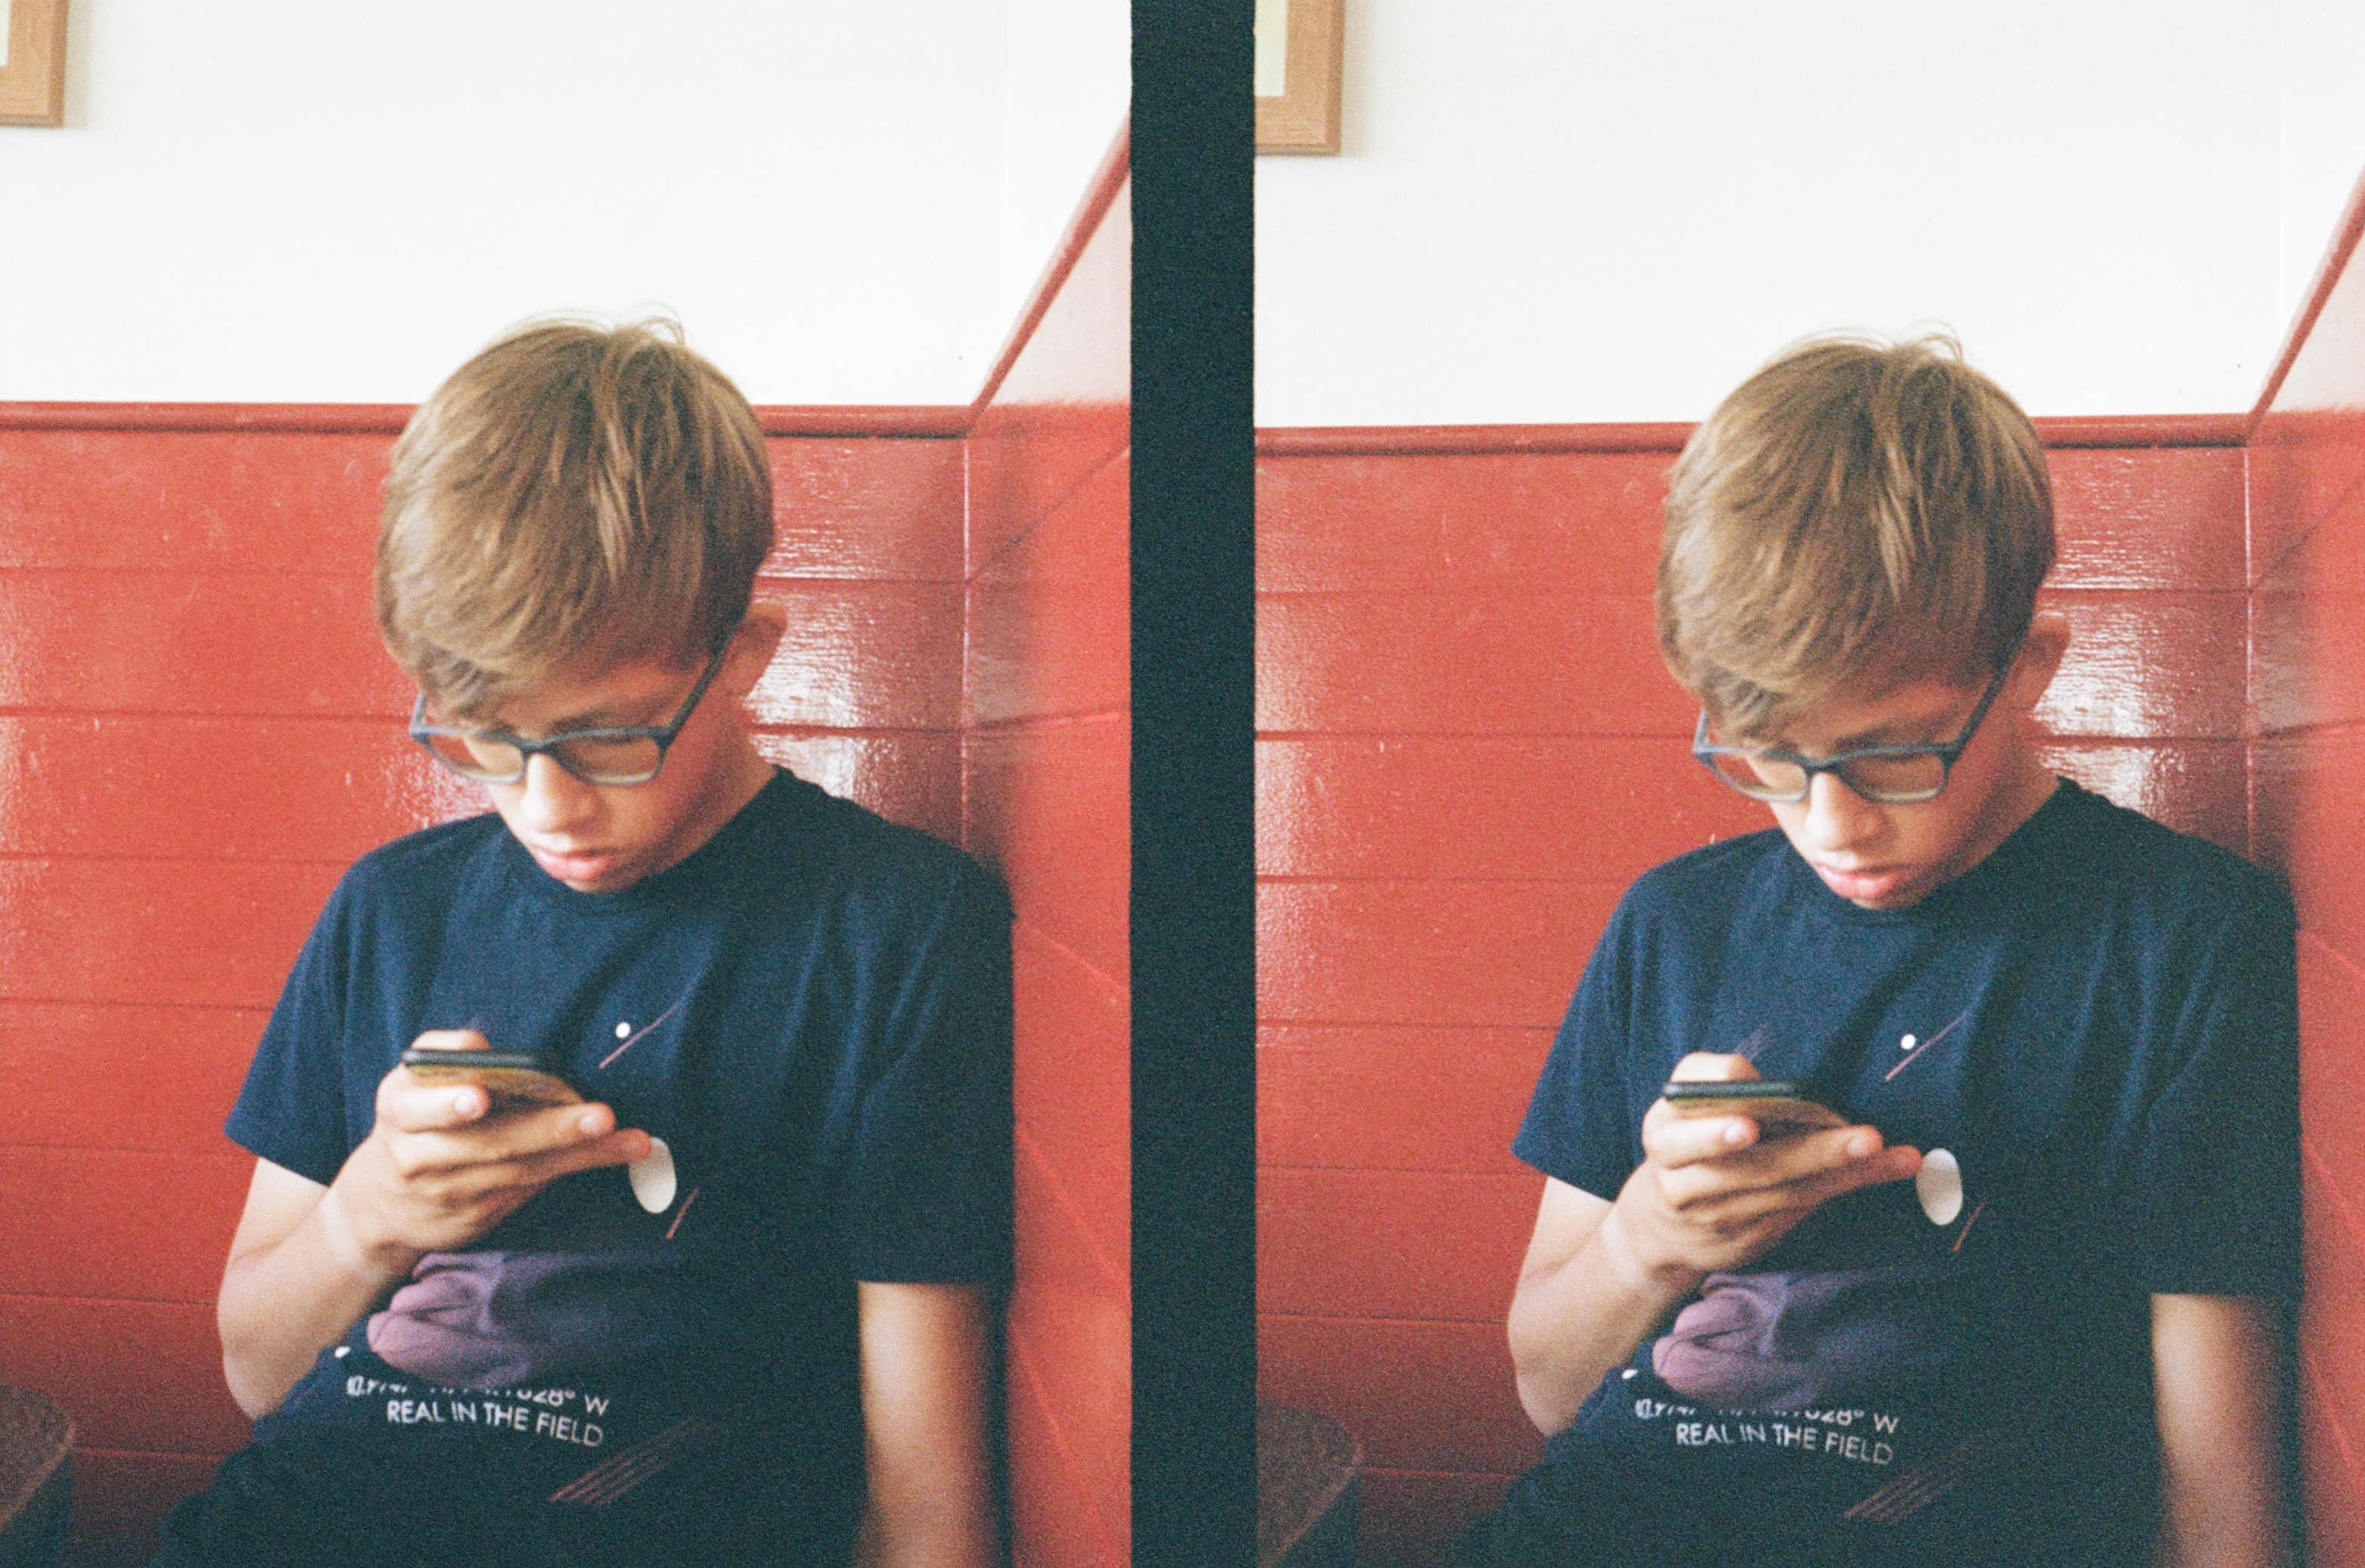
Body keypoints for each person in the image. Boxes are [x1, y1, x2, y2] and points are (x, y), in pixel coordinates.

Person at [155, 320, 1011, 1568]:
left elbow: (926, 1503)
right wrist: (371, 1215)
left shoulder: (894, 930)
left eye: (611, 735)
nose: (545, 806)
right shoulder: (392, 909)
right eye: (483, 738)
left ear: (746, 654)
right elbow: (254, 1373)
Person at [1459, 337, 2297, 1568]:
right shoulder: (1672, 925)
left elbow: (2220, 1495)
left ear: (2029, 668)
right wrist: (1649, 1238)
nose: (1831, 824)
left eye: (1895, 752)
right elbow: (1545, 1393)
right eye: (1767, 758)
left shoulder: (2180, 938)